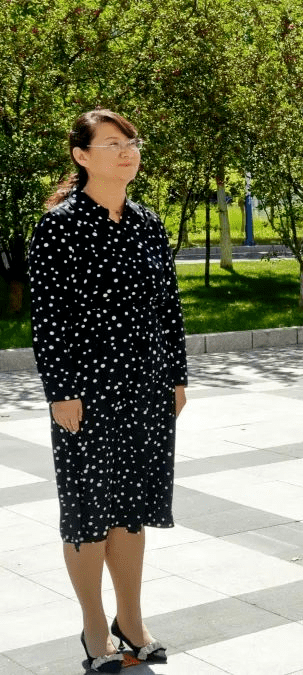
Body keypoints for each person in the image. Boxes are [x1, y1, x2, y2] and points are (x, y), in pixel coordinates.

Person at [28, 109, 186, 672]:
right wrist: (62, 391)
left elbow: (169, 310)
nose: (127, 152)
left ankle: (132, 621)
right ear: (81, 155)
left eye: (132, 142)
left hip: (145, 391)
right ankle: (96, 629)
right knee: (89, 512)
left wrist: (177, 376)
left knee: (133, 510)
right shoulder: (59, 228)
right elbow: (48, 320)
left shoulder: (148, 224)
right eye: (113, 143)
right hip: (87, 394)